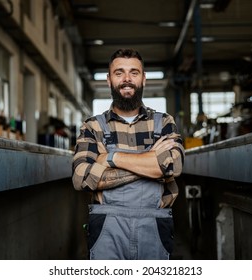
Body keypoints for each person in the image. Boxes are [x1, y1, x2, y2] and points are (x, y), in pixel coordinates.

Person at [72, 48, 184, 260]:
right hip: (107, 227)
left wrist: (110, 159)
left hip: (155, 225)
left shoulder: (164, 122)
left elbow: (173, 167)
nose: (127, 79)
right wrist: (151, 162)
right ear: (109, 80)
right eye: (119, 72)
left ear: (143, 79)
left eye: (134, 72)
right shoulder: (93, 127)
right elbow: (82, 178)